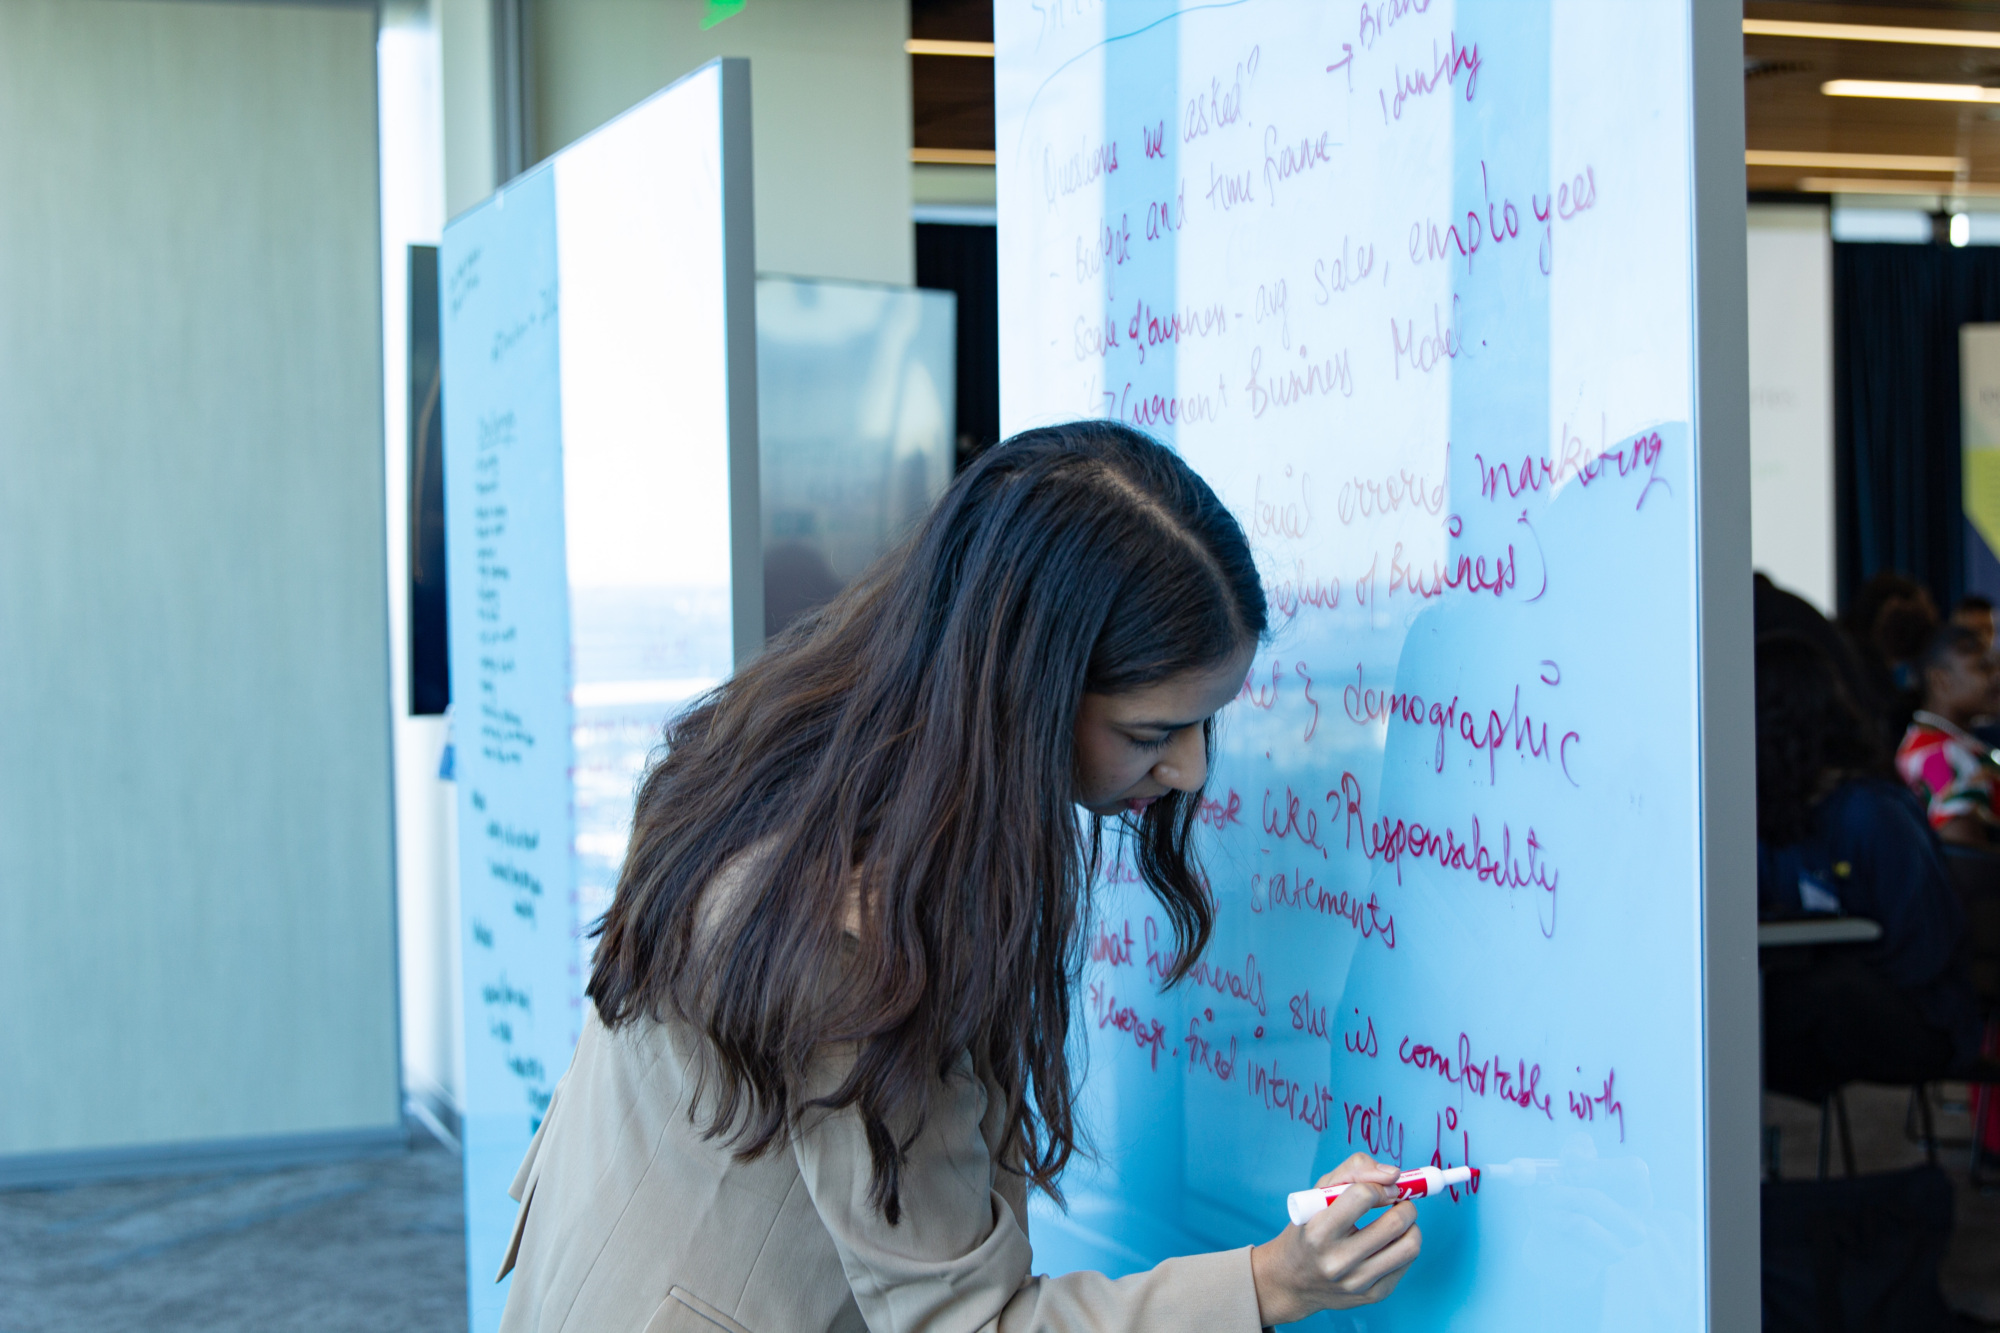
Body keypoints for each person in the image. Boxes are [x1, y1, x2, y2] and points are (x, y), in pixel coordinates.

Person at [495, 422, 1423, 1333]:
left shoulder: (795, 753)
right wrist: (1275, 1281)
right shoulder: (859, 929)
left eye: (1203, 727)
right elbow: (972, 1324)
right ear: (1030, 693)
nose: (1190, 770)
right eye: (1152, 733)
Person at [1755, 634, 1982, 1100]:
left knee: (1786, 1002)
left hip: (1925, 1018)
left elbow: (1925, 950)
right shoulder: (1778, 815)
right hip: (1844, 998)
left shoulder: (1872, 812)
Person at [1897, 624, 2000, 847]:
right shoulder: (1944, 755)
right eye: (1984, 667)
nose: (1997, 675)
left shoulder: (1930, 740)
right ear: (1941, 680)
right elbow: (1967, 860)